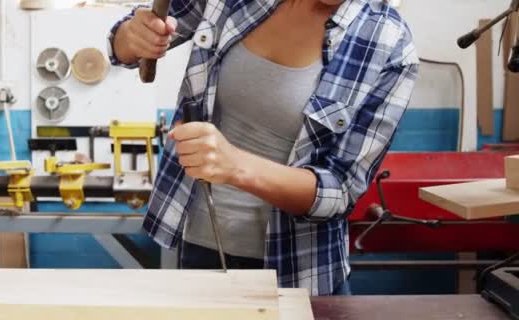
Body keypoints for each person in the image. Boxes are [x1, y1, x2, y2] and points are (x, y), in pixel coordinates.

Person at [108, 0, 418, 296]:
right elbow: (128, 44)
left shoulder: (388, 44)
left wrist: (237, 167)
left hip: (301, 274)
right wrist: (132, 37)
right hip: (200, 252)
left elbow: (339, 192)